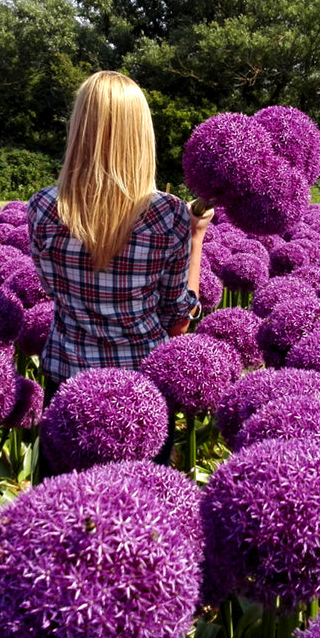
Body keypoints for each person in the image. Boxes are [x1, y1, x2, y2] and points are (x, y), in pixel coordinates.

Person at [27, 70, 213, 404]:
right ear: (142, 135)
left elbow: (52, 290)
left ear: (79, 129)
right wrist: (196, 237)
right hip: (141, 391)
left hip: (67, 386)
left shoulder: (43, 206)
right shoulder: (168, 214)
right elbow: (177, 322)